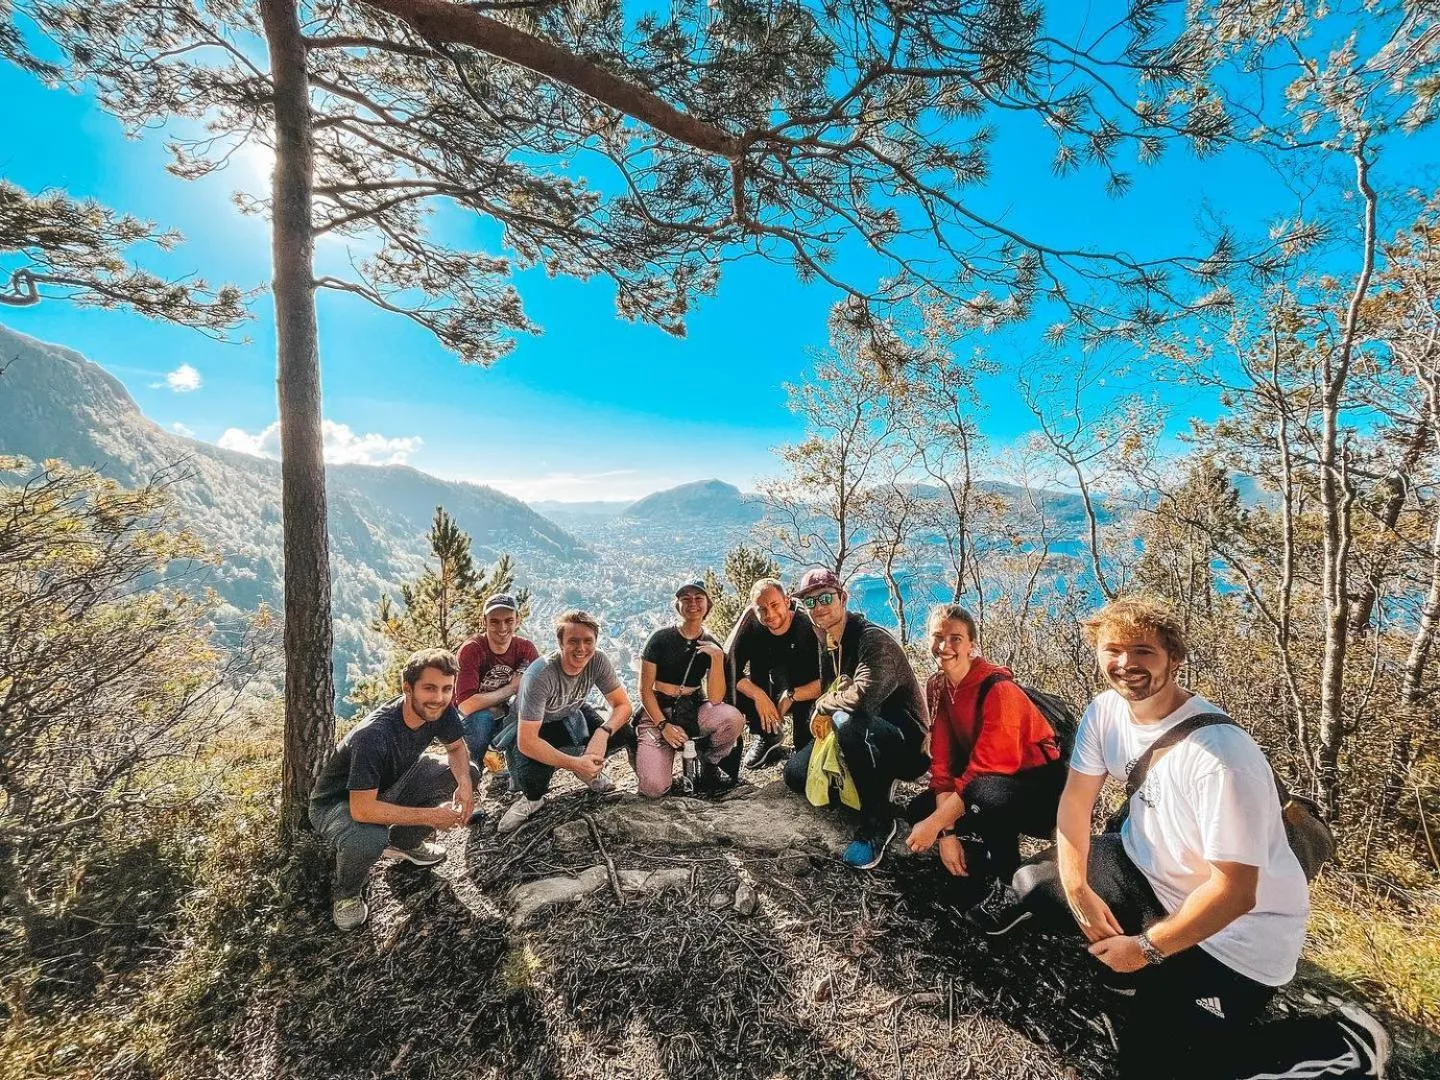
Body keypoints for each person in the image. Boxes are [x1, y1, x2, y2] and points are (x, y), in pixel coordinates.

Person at [969, 595, 1389, 1080]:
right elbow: (1075, 804)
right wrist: (1080, 891)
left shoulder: (1220, 757)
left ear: (1175, 656)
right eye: (1114, 650)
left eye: (1143, 651)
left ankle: (1340, 1045)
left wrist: (1143, 950)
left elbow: (1234, 893)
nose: (1126, 663)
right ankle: (1142, 981)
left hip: (1236, 939)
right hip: (1147, 872)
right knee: (1036, 883)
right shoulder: (1106, 712)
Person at [308, 649, 482, 931]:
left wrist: (464, 785)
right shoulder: (373, 736)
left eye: (446, 689)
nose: (439, 697)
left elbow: (455, 747)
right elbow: (362, 810)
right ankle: (347, 893)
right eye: (429, 688)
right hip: (338, 804)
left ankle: (405, 842)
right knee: (369, 836)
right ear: (407, 688)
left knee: (468, 772)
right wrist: (431, 817)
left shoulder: (441, 710)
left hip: (392, 782)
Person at [903, 605, 1065, 897]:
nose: (944, 646)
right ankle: (975, 860)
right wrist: (946, 835)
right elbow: (942, 762)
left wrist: (936, 826)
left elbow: (987, 769)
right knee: (920, 810)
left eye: (955, 638)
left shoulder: (998, 690)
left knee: (982, 794)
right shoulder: (938, 685)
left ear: (971, 645)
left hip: (1042, 794)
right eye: (937, 637)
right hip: (987, 783)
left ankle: (1006, 883)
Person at [782, 567, 929, 869]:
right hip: (864, 734)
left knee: (846, 720)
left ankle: (879, 822)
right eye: (810, 602)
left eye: (825, 598)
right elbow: (831, 692)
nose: (818, 607)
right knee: (796, 775)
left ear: (843, 598)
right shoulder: (828, 643)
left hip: (907, 745)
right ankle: (871, 779)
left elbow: (862, 699)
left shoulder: (872, 640)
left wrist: (822, 707)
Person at [497, 609, 637, 833]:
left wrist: (602, 733)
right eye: (573, 641)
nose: (581, 649)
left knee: (625, 733)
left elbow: (623, 705)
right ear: (560, 643)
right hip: (535, 724)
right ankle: (533, 800)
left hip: (572, 711)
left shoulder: (598, 660)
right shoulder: (540, 674)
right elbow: (528, 741)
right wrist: (575, 764)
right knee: (533, 780)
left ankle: (594, 769)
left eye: (587, 641)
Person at [635, 579, 747, 797]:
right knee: (653, 788)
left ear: (708, 605)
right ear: (678, 606)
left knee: (732, 718)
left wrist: (716, 658)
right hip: (657, 711)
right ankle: (645, 751)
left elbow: (715, 699)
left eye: (698, 598)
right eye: (685, 599)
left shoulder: (710, 642)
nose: (692, 603)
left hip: (692, 709)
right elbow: (645, 690)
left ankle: (710, 762)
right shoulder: (660, 639)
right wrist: (663, 725)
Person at [725, 577, 822, 770]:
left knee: (802, 760)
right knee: (732, 688)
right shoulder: (752, 624)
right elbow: (727, 666)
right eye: (761, 608)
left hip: (804, 693)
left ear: (787, 601)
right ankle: (767, 736)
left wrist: (793, 696)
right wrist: (758, 695)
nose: (769, 614)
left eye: (775, 604)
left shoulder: (807, 626)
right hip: (768, 688)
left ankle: (804, 740)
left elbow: (828, 679)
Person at [453, 592, 539, 767]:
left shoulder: (525, 649)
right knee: (482, 718)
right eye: (494, 621)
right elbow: (466, 705)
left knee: (528, 715)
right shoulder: (473, 650)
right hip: (469, 719)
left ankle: (513, 773)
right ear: (484, 622)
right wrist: (511, 688)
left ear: (517, 621)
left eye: (508, 620)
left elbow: (541, 688)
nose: (502, 628)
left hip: (505, 714)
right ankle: (469, 775)